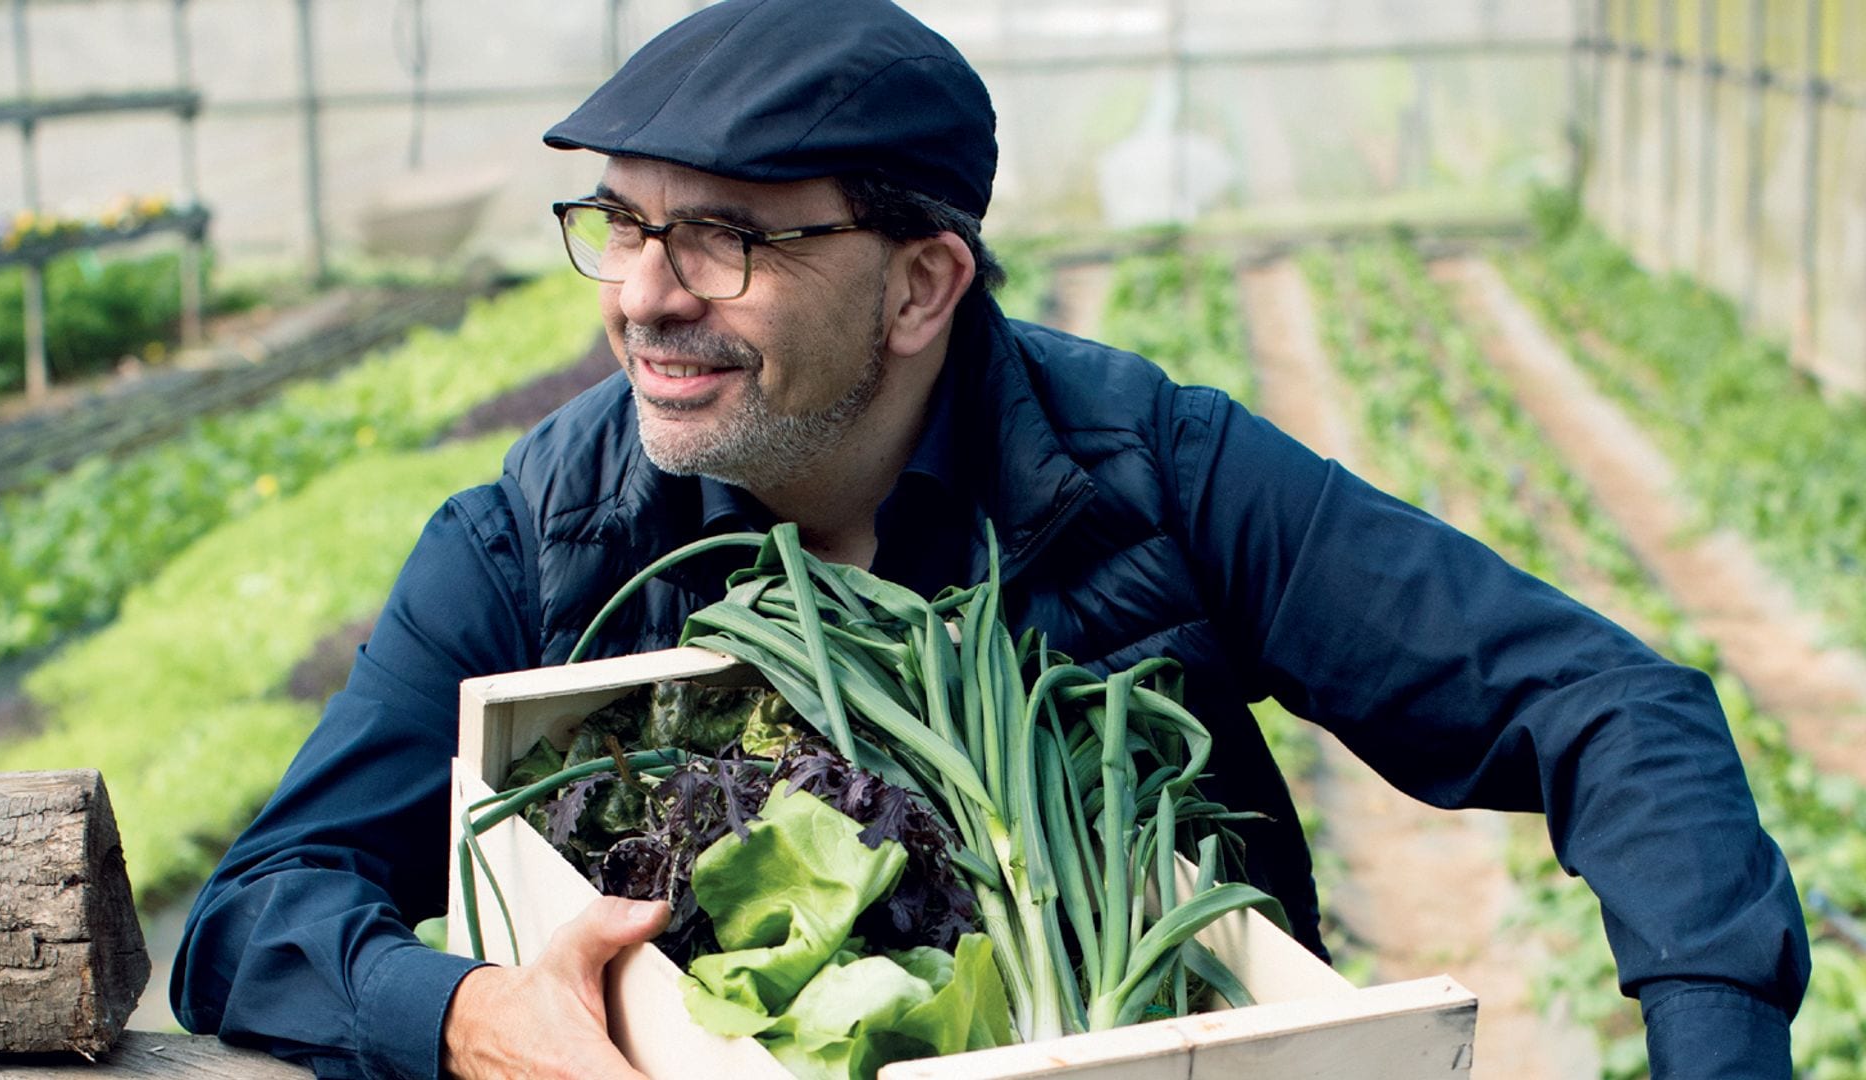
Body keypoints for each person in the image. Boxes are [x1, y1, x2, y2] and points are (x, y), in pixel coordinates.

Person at [170, 0, 1809, 1076]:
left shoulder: (1147, 471)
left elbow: (1610, 711)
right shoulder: (546, 537)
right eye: (625, 221)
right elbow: (259, 910)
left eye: (727, 235)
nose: (645, 292)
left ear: (922, 285)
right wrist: (471, 1015)